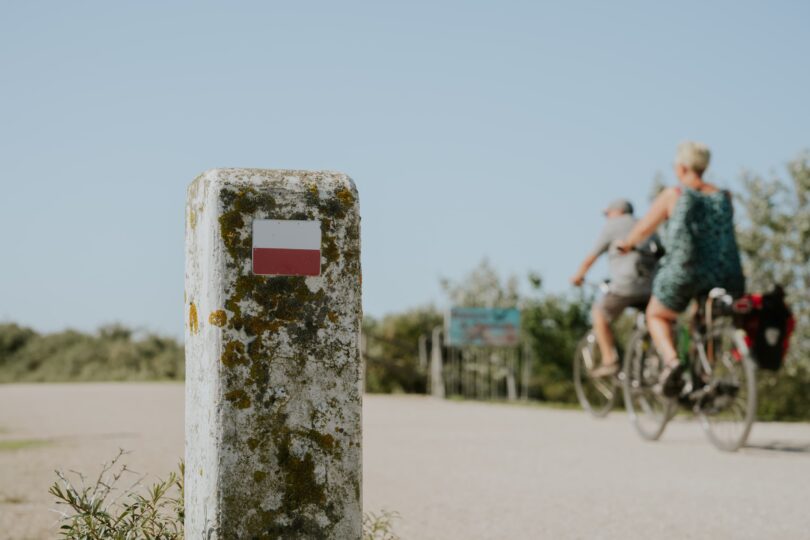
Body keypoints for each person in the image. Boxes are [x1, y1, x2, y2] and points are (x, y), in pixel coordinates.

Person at [616, 141, 745, 396]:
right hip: (725, 272)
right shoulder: (724, 196)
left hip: (685, 270)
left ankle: (673, 362)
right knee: (704, 320)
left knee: (657, 314)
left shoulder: (675, 194)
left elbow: (644, 229)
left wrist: (626, 244)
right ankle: (706, 377)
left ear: (683, 167)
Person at [570, 199, 658, 377]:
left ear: (616, 212)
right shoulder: (645, 225)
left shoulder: (613, 226)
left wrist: (578, 276)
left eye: (607, 213)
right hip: (651, 287)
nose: (607, 217)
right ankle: (654, 359)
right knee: (653, 321)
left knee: (599, 314)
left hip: (626, 285)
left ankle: (610, 359)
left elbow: (592, 256)